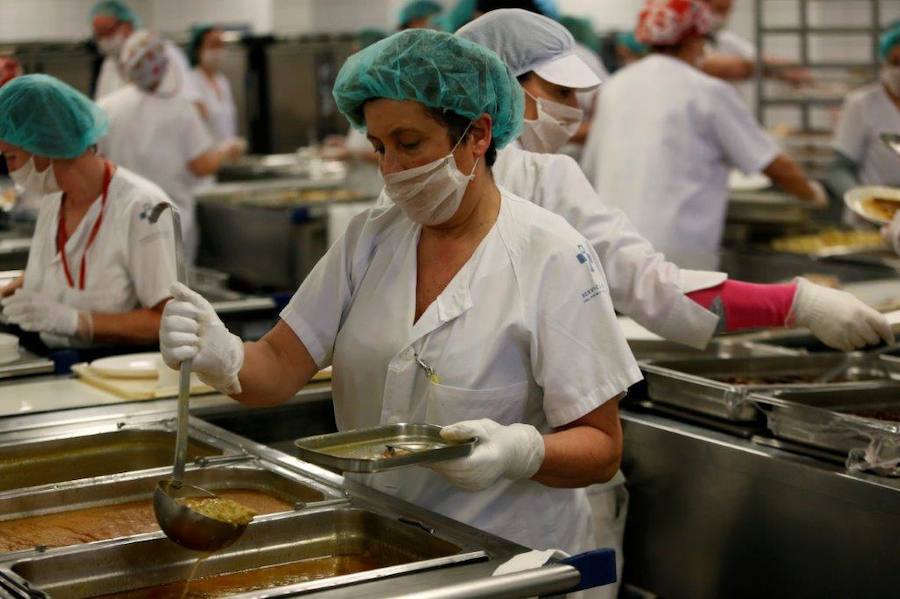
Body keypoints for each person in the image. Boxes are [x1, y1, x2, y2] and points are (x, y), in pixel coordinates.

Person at [457, 9, 893, 597]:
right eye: (558, 92)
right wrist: (798, 298)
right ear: (500, 85)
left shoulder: (511, 173)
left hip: (506, 469)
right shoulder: (495, 178)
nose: (572, 109)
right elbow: (651, 286)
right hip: (491, 475)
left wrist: (797, 303)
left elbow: (648, 285)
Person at [160, 29, 640, 559]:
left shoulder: (551, 255)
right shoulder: (371, 237)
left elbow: (601, 449)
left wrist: (518, 451)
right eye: (379, 147)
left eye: (410, 144)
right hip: (376, 549)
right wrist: (221, 354)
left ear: (478, 136)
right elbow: (276, 365)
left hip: (505, 562)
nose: (391, 169)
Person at [580, 0, 827, 271]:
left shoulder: (615, 86)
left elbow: (591, 168)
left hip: (613, 249)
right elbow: (774, 164)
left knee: (622, 315)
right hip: (675, 255)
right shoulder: (707, 91)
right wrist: (813, 196)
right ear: (694, 41)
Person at [0, 75, 177, 348]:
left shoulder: (142, 208)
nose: (11, 171)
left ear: (44, 148)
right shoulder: (54, 196)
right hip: (57, 364)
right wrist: (17, 289)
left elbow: (169, 321)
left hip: (119, 375)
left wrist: (76, 321)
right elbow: (67, 266)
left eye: (11, 157)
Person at [98, 31, 245, 264]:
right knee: (171, 293)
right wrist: (225, 151)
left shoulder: (105, 108)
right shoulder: (179, 109)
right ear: (163, 64)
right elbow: (201, 166)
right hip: (168, 222)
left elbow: (96, 164)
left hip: (120, 222)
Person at [829, 23, 900, 202]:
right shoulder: (861, 104)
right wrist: (862, 202)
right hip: (871, 219)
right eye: (896, 62)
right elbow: (839, 170)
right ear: (884, 63)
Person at [90, 0, 197, 102]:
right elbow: (101, 108)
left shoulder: (161, 52)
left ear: (127, 25)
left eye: (108, 31)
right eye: (99, 35)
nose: (104, 40)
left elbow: (187, 99)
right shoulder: (109, 64)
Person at [700, 0, 812, 86]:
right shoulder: (687, 40)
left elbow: (760, 58)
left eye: (727, 10)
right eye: (719, 9)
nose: (723, 16)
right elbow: (713, 66)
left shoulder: (723, 38)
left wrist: (796, 74)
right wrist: (766, 69)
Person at [187, 25, 241, 145]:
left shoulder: (222, 81)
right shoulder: (190, 81)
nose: (218, 50)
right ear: (198, 50)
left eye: (221, 45)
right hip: (205, 158)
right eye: (213, 45)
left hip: (226, 158)